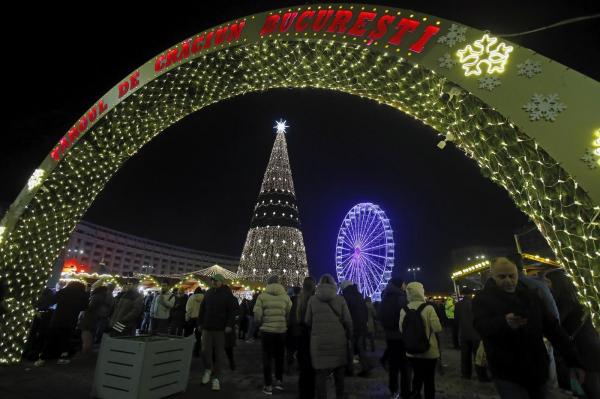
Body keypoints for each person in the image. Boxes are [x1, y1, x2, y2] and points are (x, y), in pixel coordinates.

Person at [472, 257, 583, 398]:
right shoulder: (482, 299)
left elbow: (553, 328)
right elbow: (481, 326)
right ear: (492, 276)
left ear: (517, 274)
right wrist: (504, 323)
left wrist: (573, 360)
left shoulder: (531, 296)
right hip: (507, 373)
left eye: (512, 276)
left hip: (537, 369)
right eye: (502, 277)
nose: (508, 280)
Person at [545, 268, 600, 398]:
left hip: (581, 350)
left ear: (556, 282)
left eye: (548, 282)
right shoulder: (578, 298)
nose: (546, 285)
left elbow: (556, 323)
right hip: (591, 346)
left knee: (590, 387)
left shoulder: (563, 302)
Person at [305, 274, 353, 399]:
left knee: (320, 375)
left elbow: (307, 321)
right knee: (339, 375)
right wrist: (349, 334)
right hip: (338, 341)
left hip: (319, 343)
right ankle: (340, 396)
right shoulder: (340, 300)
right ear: (333, 285)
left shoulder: (312, 300)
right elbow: (348, 321)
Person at [399, 282, 442, 399]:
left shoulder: (404, 310)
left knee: (416, 377)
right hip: (429, 350)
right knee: (429, 379)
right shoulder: (428, 308)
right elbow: (438, 328)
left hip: (411, 351)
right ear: (421, 292)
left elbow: (401, 329)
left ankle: (416, 395)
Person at [253, 275, 292, 395]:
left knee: (267, 357)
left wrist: (260, 323)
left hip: (267, 331)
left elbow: (257, 314)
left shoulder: (262, 296)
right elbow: (289, 313)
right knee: (280, 356)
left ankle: (268, 385)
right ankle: (279, 381)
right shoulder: (285, 297)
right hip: (281, 331)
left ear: (268, 284)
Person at [198, 274, 236, 392]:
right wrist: (200, 323)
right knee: (205, 350)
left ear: (221, 282)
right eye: (213, 280)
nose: (214, 282)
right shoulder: (208, 293)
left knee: (219, 354)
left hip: (220, 329)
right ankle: (208, 369)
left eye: (216, 281)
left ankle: (216, 378)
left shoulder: (227, 294)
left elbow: (231, 311)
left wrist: (229, 325)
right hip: (207, 327)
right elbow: (202, 309)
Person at [36, 281, 88, 366]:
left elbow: (52, 301)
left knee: (50, 339)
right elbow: (84, 307)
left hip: (57, 319)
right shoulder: (83, 295)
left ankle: (42, 359)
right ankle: (62, 358)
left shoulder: (63, 291)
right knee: (66, 340)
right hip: (71, 321)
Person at [378, 277, 411, 399]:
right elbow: (407, 316)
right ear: (400, 285)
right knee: (405, 365)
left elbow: (380, 315)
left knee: (393, 365)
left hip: (390, 335)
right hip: (401, 335)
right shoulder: (402, 298)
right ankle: (406, 391)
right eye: (404, 283)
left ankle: (393, 389)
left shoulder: (385, 298)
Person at [455, 287, 489, 382]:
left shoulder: (457, 305)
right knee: (478, 357)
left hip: (463, 334)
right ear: (471, 294)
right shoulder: (475, 303)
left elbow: (456, 320)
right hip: (476, 334)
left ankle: (466, 374)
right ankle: (481, 376)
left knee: (465, 356)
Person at [340, 280, 371, 376]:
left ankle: (349, 369)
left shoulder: (346, 297)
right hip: (361, 326)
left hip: (352, 326)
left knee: (350, 348)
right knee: (361, 348)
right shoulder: (359, 295)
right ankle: (365, 368)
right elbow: (366, 311)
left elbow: (345, 313)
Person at [295, 277, 316, 399]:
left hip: (301, 335)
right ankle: (310, 393)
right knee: (312, 367)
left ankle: (303, 393)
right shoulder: (314, 300)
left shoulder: (300, 299)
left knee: (303, 368)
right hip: (311, 334)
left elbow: (298, 318)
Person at [78, 285, 108, 356]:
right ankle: (88, 352)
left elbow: (90, 306)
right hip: (95, 318)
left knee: (86, 335)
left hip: (89, 317)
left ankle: (84, 353)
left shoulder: (96, 296)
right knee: (90, 336)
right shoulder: (103, 297)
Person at [185, 286, 204, 354]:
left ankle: (187, 349)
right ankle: (197, 351)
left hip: (192, 318)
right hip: (200, 319)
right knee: (198, 336)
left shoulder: (192, 297)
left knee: (189, 334)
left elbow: (188, 309)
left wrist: (187, 317)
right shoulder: (204, 298)